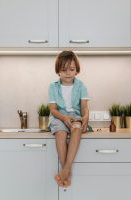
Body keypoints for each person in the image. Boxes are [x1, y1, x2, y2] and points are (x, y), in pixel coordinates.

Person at [48, 50, 89, 188]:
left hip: (75, 117)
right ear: (58, 71)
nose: (68, 73)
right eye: (64, 69)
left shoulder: (81, 86)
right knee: (60, 133)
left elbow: (84, 107)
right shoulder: (53, 87)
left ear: (77, 70)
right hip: (59, 117)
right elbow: (53, 109)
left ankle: (65, 170)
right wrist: (64, 117)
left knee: (77, 129)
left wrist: (86, 117)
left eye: (71, 69)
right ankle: (67, 172)